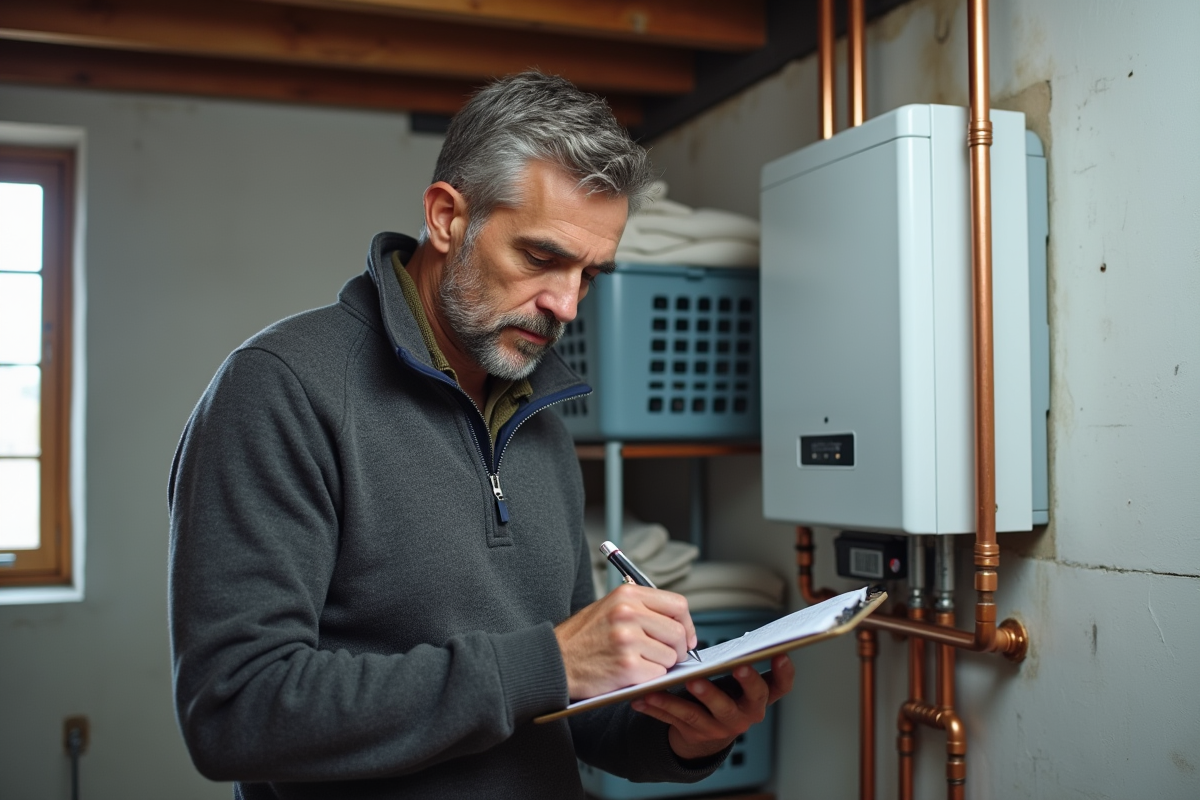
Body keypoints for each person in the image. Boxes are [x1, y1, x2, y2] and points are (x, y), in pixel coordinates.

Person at [167, 71, 794, 799]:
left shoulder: (543, 423)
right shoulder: (279, 388)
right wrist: (549, 662)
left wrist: (685, 737)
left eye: (591, 274)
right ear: (445, 218)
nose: (565, 303)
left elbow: (563, 709)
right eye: (541, 257)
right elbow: (235, 711)